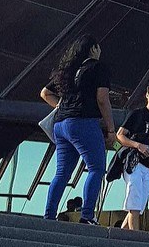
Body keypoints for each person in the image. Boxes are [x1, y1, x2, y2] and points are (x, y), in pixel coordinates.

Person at [39, 36, 112, 225]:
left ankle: (49, 216)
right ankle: (87, 215)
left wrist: (60, 107)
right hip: (83, 122)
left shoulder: (68, 71)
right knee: (96, 168)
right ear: (94, 49)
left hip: (61, 124)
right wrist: (111, 129)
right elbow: (102, 99)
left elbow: (45, 93)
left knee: (62, 172)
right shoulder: (98, 67)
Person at [112, 81, 149, 231]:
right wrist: (138, 145)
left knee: (139, 204)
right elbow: (120, 136)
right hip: (134, 162)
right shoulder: (137, 114)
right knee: (135, 201)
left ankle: (120, 235)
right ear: (147, 95)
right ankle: (135, 238)